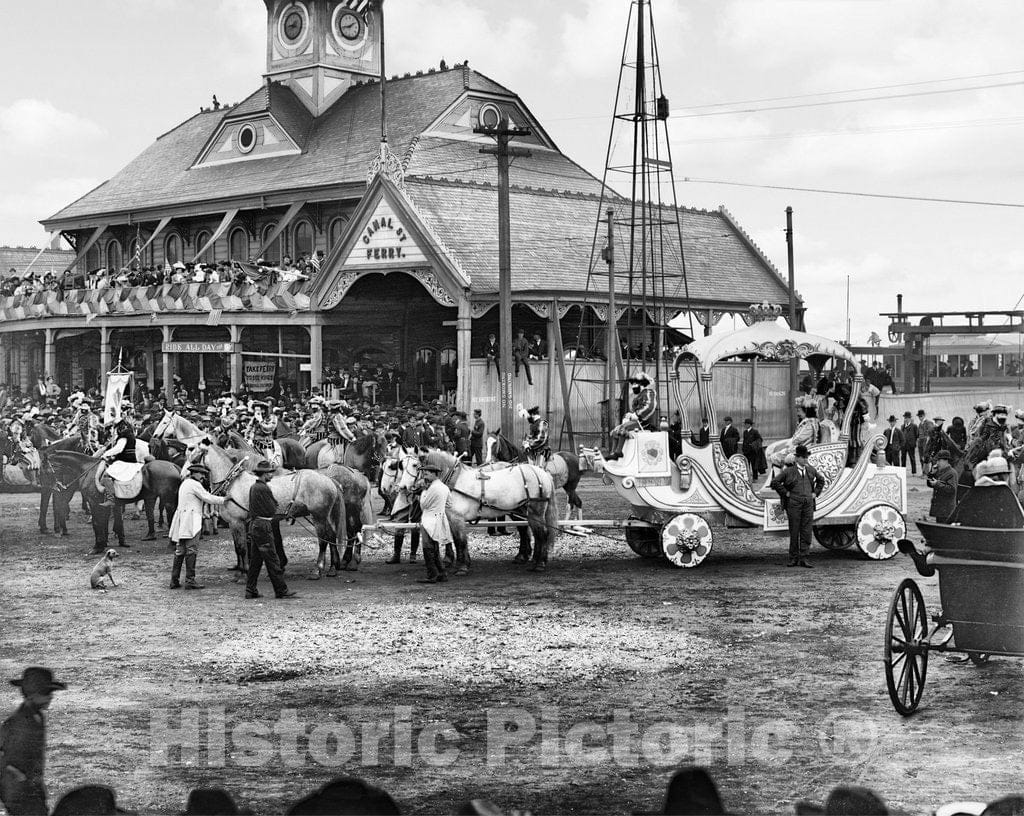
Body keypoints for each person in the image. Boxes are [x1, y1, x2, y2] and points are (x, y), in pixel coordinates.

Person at [1, 666, 68, 816]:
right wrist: (20, 779)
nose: (50, 697)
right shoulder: (18, 722)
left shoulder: (36, 717)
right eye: (46, 693)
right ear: (31, 695)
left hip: (32, 791)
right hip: (20, 793)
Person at [167, 464, 226, 590]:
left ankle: (174, 579)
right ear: (195, 473)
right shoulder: (194, 484)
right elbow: (208, 498)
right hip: (191, 520)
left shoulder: (186, 483)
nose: (203, 476)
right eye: (201, 474)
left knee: (180, 551)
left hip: (182, 519)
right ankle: (190, 580)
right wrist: (225, 499)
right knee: (191, 550)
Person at [245, 460, 297, 599]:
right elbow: (271, 508)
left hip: (256, 525)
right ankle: (281, 590)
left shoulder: (254, 487)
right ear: (263, 474)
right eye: (269, 472)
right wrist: (280, 507)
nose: (271, 475)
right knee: (273, 560)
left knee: (256, 561)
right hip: (264, 526)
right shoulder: (263, 488)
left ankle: (250, 589)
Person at [770, 444, 824, 567]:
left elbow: (821, 481)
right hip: (793, 504)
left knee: (806, 531)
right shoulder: (789, 471)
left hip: (808, 504)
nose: (806, 460)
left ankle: (804, 558)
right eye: (803, 458)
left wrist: (815, 493)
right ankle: (793, 558)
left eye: (807, 457)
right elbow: (775, 482)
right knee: (794, 531)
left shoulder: (811, 470)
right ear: (797, 458)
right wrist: (786, 493)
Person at [607, 371, 657, 460]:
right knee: (617, 430)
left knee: (624, 427)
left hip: (645, 423)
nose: (634, 387)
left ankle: (618, 451)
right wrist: (630, 416)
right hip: (638, 421)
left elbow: (650, 407)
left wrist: (637, 415)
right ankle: (613, 453)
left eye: (636, 384)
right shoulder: (640, 395)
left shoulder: (649, 392)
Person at [416, 463, 452, 584]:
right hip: (440, 518)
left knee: (428, 548)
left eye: (427, 474)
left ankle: (432, 574)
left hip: (429, 520)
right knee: (435, 548)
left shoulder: (432, 488)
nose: (425, 476)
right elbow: (449, 504)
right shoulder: (444, 487)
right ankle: (442, 573)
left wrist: (423, 492)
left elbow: (423, 505)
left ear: (434, 474)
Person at [926, 450, 957, 522]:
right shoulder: (939, 471)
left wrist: (937, 484)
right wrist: (932, 474)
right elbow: (930, 484)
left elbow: (952, 489)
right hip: (939, 508)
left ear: (946, 461)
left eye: (939, 461)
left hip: (947, 509)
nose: (937, 463)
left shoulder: (952, 473)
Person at [900, 410, 919, 475]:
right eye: (905, 418)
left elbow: (917, 435)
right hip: (903, 445)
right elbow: (901, 435)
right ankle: (903, 471)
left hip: (911, 445)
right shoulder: (902, 426)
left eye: (908, 418)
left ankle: (914, 472)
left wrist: (913, 442)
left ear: (910, 418)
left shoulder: (914, 426)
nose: (906, 419)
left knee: (912, 458)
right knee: (903, 458)